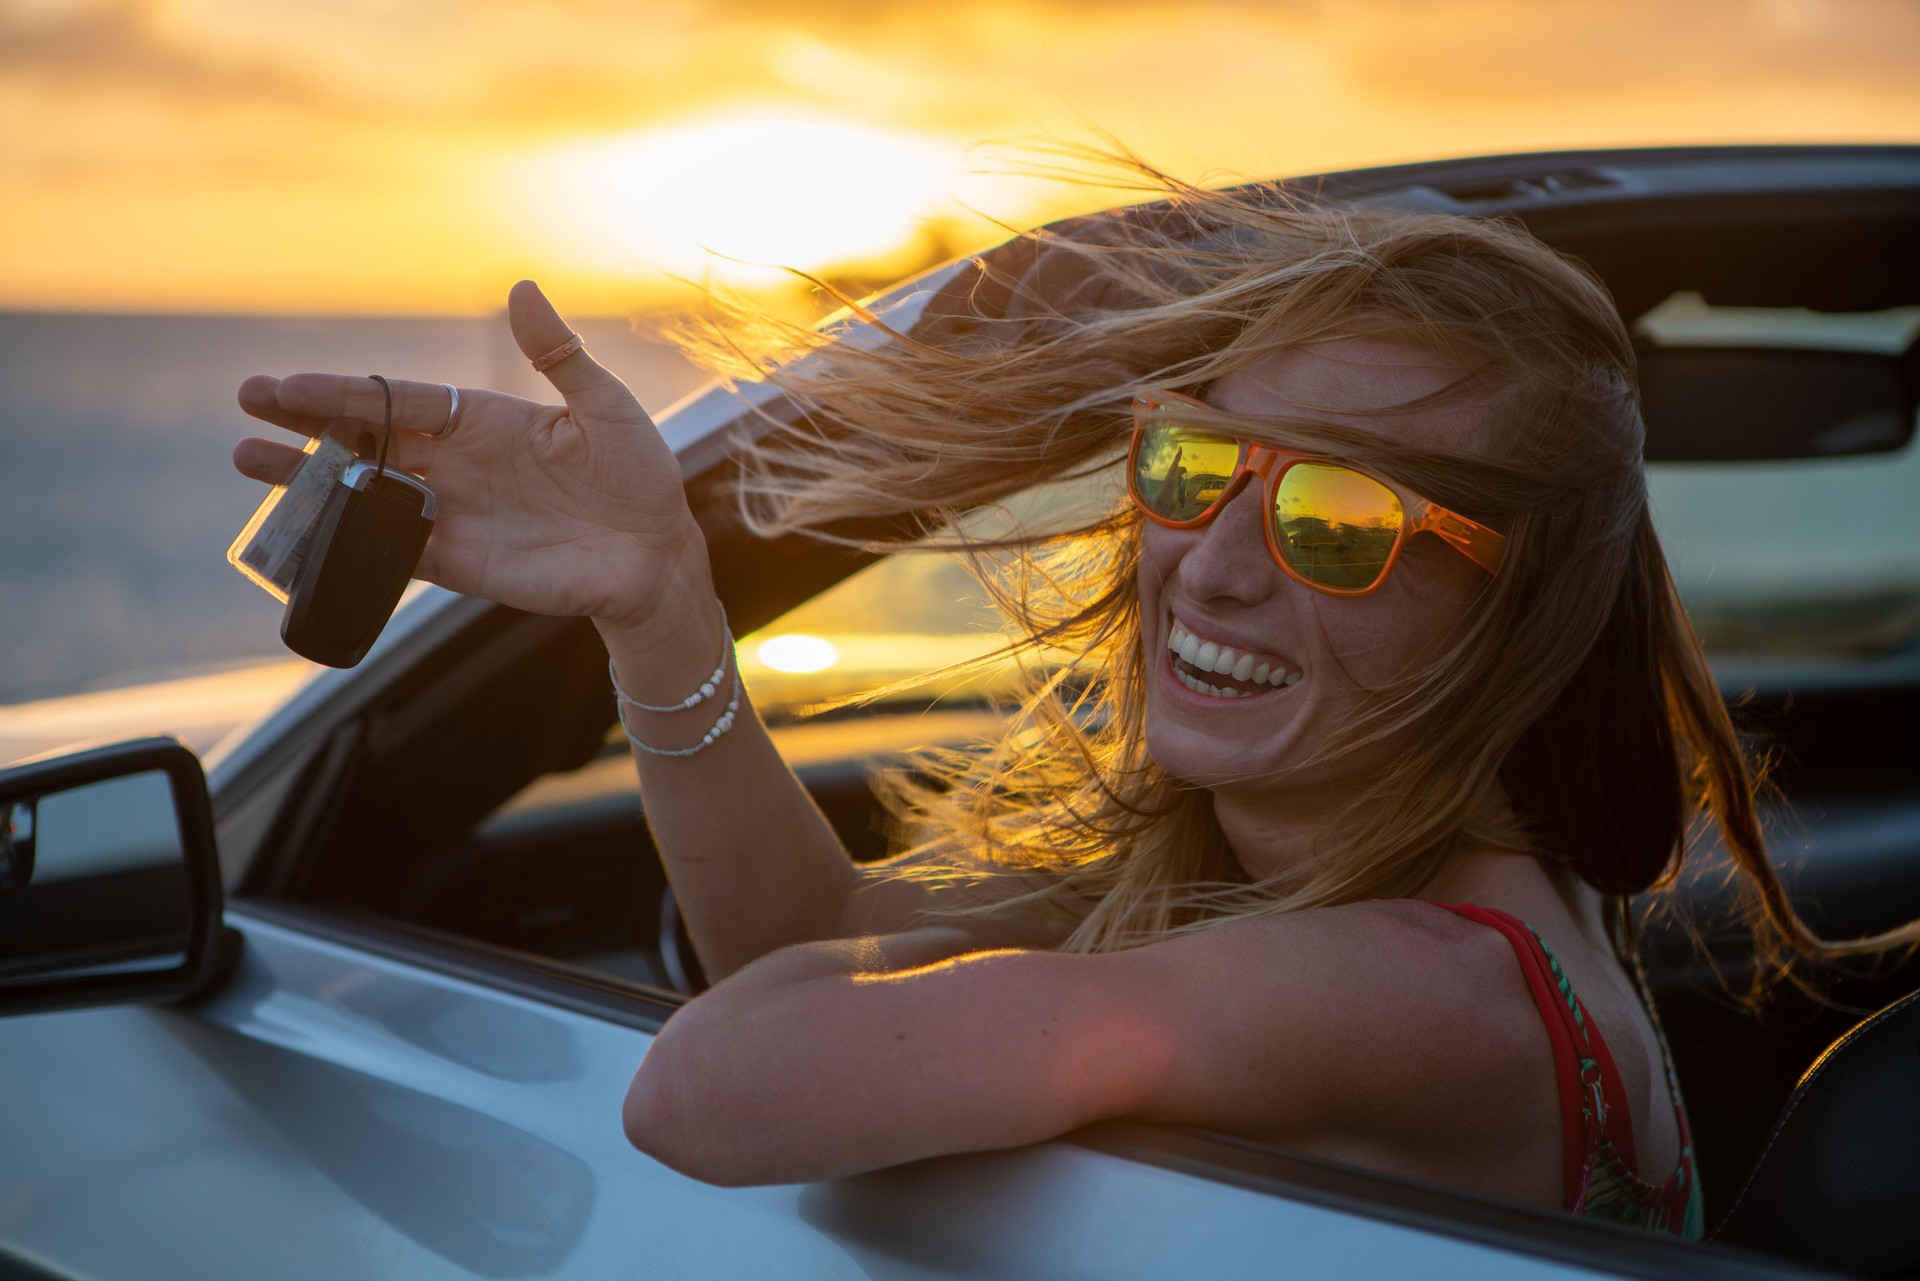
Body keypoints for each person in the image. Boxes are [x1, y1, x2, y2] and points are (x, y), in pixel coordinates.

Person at [230, 174, 1912, 1237]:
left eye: (1342, 522)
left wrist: (986, 956)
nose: (1220, 567)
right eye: (1195, 467)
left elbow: (710, 1082)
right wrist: (660, 596)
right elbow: (809, 934)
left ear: (1523, 613)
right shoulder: (1426, 907)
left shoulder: (1395, 989)